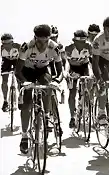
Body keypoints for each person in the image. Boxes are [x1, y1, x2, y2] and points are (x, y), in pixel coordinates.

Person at [15, 24, 62, 154]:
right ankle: (24, 136)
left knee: (48, 85)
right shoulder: (26, 47)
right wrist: (24, 83)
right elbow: (17, 71)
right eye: (39, 41)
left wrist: (57, 80)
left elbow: (60, 70)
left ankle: (46, 116)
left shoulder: (54, 47)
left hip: (42, 71)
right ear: (35, 38)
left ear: (49, 38)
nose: (42, 44)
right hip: (27, 72)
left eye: (45, 41)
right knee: (27, 105)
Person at [65, 30, 92, 128]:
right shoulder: (69, 48)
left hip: (84, 67)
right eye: (79, 43)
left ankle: (85, 100)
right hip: (73, 68)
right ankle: (72, 117)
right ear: (74, 41)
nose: (81, 45)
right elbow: (66, 63)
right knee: (72, 93)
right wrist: (67, 74)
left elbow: (92, 62)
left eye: (83, 43)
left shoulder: (89, 47)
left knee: (89, 84)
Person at [1, 33, 20, 112]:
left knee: (20, 79)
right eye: (5, 44)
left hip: (17, 61)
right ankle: (5, 101)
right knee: (4, 81)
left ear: (12, 43)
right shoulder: (1, 49)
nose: (7, 46)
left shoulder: (18, 47)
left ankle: (21, 97)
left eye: (9, 44)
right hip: (6, 62)